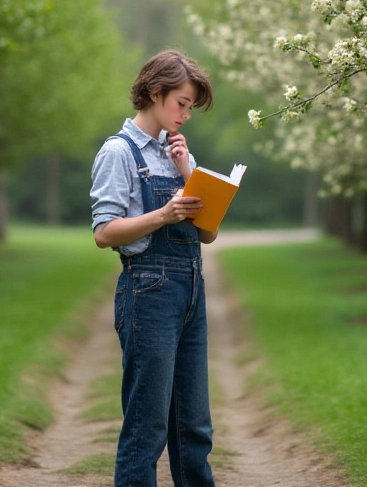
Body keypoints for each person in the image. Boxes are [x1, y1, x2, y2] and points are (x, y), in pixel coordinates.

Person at [90, 50, 218, 487]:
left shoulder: (179, 154)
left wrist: (189, 173)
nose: (185, 115)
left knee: (194, 429)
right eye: (181, 103)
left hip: (190, 295)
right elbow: (104, 232)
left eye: (189, 107)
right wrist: (163, 215)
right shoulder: (118, 152)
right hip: (147, 294)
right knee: (147, 429)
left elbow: (208, 236)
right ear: (153, 91)